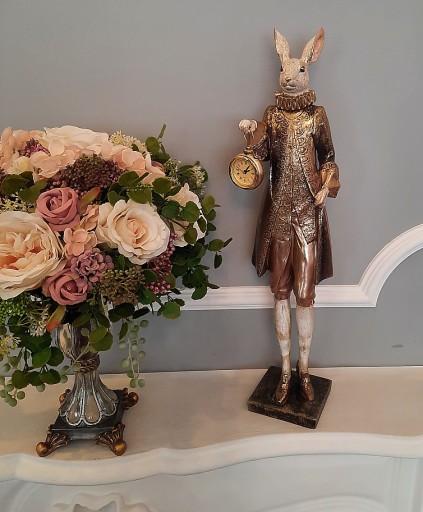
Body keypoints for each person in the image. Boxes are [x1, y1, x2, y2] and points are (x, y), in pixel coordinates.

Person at [239, 28, 340, 405]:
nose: (289, 77)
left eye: (297, 70)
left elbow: (329, 157)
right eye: (285, 69)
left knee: (305, 295)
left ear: (307, 68)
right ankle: (284, 370)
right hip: (280, 217)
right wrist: (250, 136)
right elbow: (260, 155)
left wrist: (326, 185)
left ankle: (305, 369)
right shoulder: (273, 115)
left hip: (308, 218)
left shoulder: (317, 115)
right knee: (280, 292)